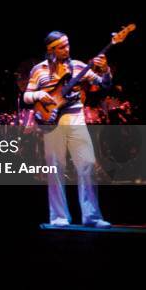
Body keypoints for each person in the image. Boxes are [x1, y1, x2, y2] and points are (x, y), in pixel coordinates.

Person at [23, 31, 112, 228]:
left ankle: (92, 216)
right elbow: (26, 97)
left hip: (75, 118)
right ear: (51, 49)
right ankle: (59, 217)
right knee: (55, 168)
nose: (67, 49)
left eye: (68, 45)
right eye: (62, 47)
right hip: (51, 122)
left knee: (87, 164)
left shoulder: (79, 66)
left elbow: (104, 85)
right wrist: (39, 95)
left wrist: (105, 71)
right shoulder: (39, 70)